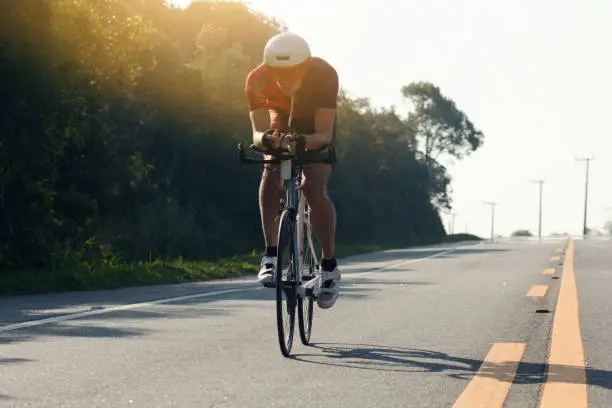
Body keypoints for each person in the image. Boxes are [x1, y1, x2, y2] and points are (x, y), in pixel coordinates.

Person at [244, 31, 341, 309]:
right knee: (270, 173)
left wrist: (302, 142)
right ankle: (271, 255)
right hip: (280, 118)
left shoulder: (323, 75)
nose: (285, 79)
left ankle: (329, 266)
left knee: (313, 187)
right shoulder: (257, 78)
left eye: (292, 73)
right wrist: (267, 140)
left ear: (306, 66)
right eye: (278, 73)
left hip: (313, 125)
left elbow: (324, 133)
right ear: (268, 69)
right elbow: (257, 132)